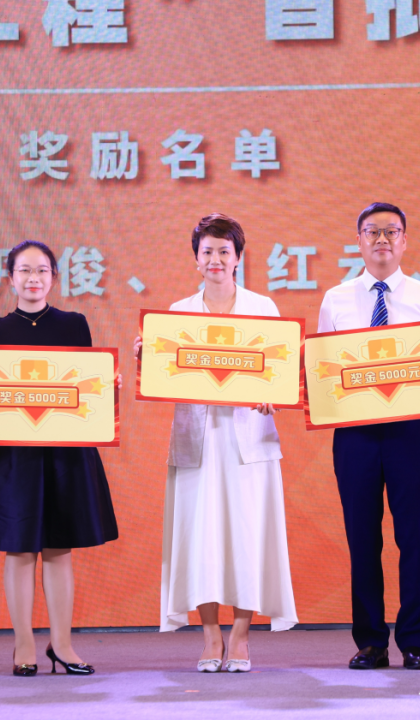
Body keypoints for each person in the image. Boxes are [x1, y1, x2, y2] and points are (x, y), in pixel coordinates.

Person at [0, 240, 118, 677]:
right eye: (24, 270)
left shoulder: (74, 324)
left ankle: (63, 645)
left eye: (41, 270)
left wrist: (107, 388)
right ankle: (24, 645)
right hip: (13, 456)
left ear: (54, 277)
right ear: (10, 278)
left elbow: (86, 388)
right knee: (19, 548)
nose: (33, 278)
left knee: (59, 549)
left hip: (64, 453)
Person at [134, 213, 297, 673]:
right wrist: (148, 361)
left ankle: (241, 638)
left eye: (224, 251)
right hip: (197, 441)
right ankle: (209, 637)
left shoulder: (263, 308)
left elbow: (281, 376)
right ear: (196, 259)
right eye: (207, 251)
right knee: (200, 539)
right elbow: (164, 378)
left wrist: (273, 395)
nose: (216, 259)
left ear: (238, 258)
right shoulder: (177, 313)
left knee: (248, 537)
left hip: (249, 441)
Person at [316, 202, 420, 671]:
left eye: (391, 231)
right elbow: (323, 369)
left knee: (414, 538)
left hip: (412, 433)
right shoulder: (335, 298)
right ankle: (370, 641)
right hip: (356, 436)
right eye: (372, 232)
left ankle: (413, 640)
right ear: (358, 241)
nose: (382, 240)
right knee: (362, 540)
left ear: (405, 241)